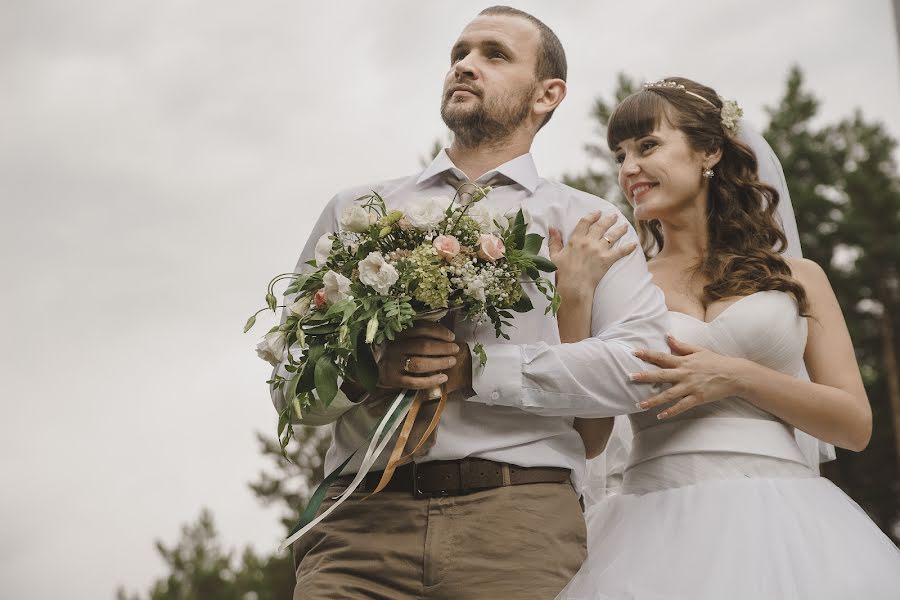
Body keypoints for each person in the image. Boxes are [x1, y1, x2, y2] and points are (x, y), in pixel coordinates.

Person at [270, 7, 669, 600]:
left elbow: (641, 368)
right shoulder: (357, 212)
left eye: (494, 54)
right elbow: (287, 383)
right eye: (459, 52)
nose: (465, 65)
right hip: (357, 531)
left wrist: (478, 371)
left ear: (546, 95)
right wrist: (365, 374)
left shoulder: (590, 223)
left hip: (517, 527)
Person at [549, 77, 900, 599]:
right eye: (620, 155)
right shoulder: (619, 286)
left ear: (709, 150)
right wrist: (573, 297)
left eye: (647, 146)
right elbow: (590, 439)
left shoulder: (799, 277)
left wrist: (736, 375)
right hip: (651, 530)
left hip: (790, 521)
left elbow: (853, 426)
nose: (628, 169)